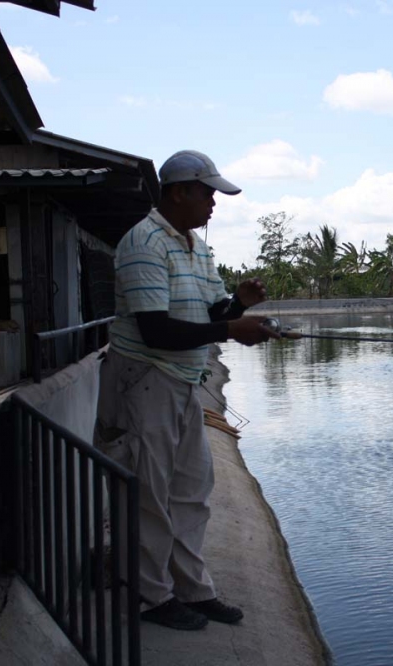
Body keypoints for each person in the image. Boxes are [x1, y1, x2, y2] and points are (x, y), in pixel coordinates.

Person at [94, 149, 279, 631]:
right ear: (179, 192)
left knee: (192, 490)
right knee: (147, 495)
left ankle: (192, 589)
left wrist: (237, 304)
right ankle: (148, 598)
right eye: (208, 192)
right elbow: (157, 330)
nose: (214, 203)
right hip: (144, 380)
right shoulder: (145, 243)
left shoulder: (195, 247)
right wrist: (232, 329)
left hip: (181, 382)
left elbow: (209, 315)